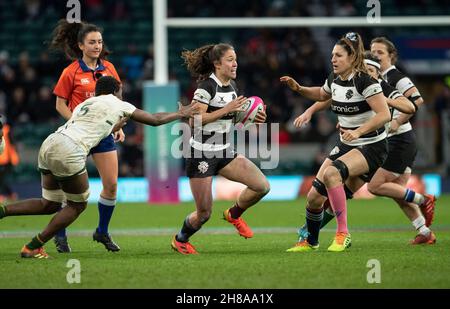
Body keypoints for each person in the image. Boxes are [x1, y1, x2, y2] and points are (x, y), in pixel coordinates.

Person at [0, 76, 199, 259]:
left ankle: (3, 211)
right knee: (77, 205)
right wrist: (181, 112)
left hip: (50, 142)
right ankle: (33, 246)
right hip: (69, 149)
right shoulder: (119, 103)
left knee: (49, 204)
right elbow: (154, 120)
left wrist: (114, 127)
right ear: (118, 90)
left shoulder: (84, 104)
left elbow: (93, 130)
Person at [291, 52, 436, 248]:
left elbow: (410, 105)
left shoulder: (385, 85)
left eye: (371, 70)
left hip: (383, 145)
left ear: (379, 71)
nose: (367, 73)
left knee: (368, 187)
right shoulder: (357, 84)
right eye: (364, 69)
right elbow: (329, 97)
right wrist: (313, 111)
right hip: (356, 144)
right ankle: (424, 229)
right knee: (336, 192)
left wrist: (383, 104)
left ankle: (422, 199)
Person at [280, 32, 391, 252]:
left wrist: (358, 131)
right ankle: (310, 242)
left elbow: (384, 114)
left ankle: (343, 235)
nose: (333, 59)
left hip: (371, 145)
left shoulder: (365, 81)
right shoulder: (334, 79)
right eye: (332, 55)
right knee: (313, 198)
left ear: (351, 58)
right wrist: (299, 88)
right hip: (346, 144)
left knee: (332, 174)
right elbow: (322, 95)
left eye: (338, 55)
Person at [171, 43, 270, 255]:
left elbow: (233, 121)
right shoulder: (206, 88)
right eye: (230, 59)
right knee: (204, 213)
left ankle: (234, 214)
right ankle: (181, 239)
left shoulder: (232, 87)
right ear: (217, 64)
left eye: (235, 59)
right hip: (201, 153)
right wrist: (226, 109)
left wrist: (253, 119)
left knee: (261, 186)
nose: (235, 64)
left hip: (225, 151)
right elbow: (194, 122)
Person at [50, 20, 123, 253]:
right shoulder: (70, 72)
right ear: (81, 45)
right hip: (76, 137)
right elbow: (59, 104)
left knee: (111, 186)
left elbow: (117, 100)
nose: (97, 46)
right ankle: (60, 235)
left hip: (103, 135)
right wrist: (74, 121)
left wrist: (118, 124)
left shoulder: (109, 68)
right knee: (70, 191)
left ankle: (102, 231)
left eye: (99, 42)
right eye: (92, 42)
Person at [369, 37, 436, 244]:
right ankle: (425, 233)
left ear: (391, 56)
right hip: (398, 140)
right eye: (373, 52)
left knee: (375, 186)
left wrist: (398, 121)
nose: (375, 55)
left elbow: (417, 100)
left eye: (380, 52)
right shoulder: (376, 77)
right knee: (399, 194)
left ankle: (425, 199)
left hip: (400, 140)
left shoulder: (395, 77)